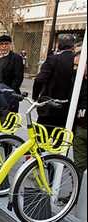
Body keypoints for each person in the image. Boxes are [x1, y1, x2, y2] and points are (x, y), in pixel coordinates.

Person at [32, 34, 75, 130]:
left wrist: (35, 97)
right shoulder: (77, 61)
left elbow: (39, 79)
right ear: (73, 46)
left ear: (58, 45)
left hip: (49, 103)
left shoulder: (53, 59)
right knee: (60, 136)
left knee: (42, 135)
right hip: (68, 106)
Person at [73, 50, 87, 178]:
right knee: (79, 165)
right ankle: (76, 194)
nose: (76, 69)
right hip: (80, 128)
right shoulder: (78, 81)